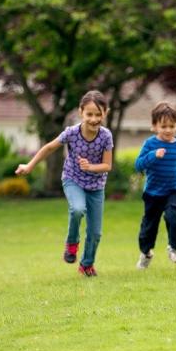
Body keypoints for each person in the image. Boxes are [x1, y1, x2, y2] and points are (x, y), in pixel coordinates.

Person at [16, 90, 113, 277]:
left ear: (105, 113)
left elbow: (107, 165)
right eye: (89, 114)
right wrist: (30, 165)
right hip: (73, 179)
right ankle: (71, 244)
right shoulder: (72, 133)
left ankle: (86, 264)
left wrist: (91, 167)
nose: (94, 119)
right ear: (81, 113)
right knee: (77, 209)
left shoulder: (106, 136)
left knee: (95, 233)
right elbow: (49, 147)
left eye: (98, 114)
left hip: (96, 186)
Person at [134, 101, 176, 269]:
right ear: (155, 126)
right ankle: (146, 252)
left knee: (174, 217)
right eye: (164, 126)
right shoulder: (150, 144)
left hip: (173, 189)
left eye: (172, 126)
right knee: (149, 227)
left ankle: (174, 248)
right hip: (153, 192)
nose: (168, 130)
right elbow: (139, 164)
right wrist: (153, 155)